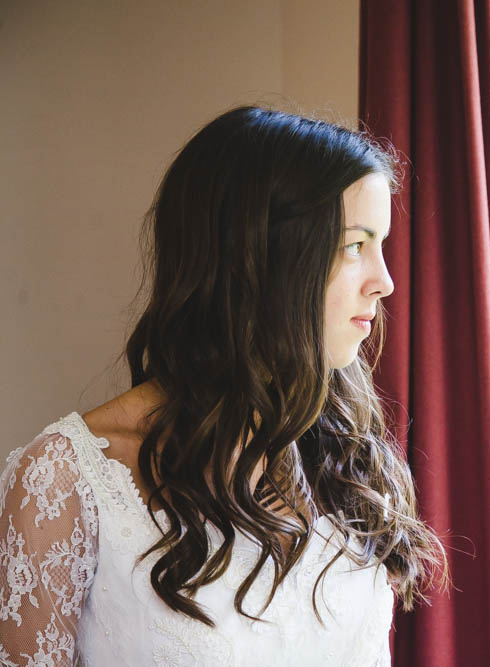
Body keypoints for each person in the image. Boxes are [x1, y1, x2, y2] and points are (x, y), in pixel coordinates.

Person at [0, 105, 449, 666]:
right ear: (258, 257)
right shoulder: (65, 481)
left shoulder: (347, 460)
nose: (385, 282)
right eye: (355, 245)